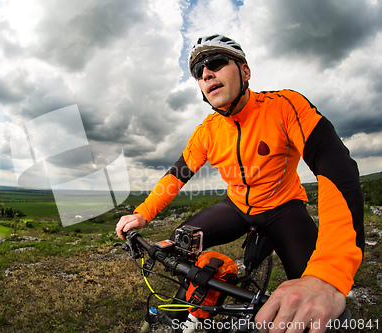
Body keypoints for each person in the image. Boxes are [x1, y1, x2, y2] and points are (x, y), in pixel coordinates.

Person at [115, 34, 364, 333]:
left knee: (323, 308)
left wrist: (328, 273)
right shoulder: (207, 131)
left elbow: (335, 165)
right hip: (236, 206)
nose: (206, 73)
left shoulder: (284, 106)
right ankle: (195, 308)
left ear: (245, 71)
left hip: (284, 207)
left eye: (216, 63)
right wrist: (143, 214)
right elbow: (176, 176)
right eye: (198, 72)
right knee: (179, 245)